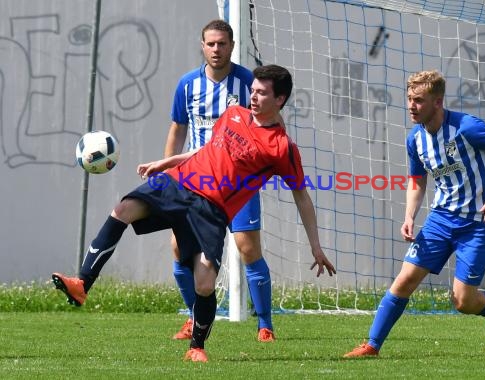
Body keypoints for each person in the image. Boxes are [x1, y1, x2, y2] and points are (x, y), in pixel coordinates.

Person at [52, 64, 336, 363]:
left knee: (204, 282)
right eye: (253, 90)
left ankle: (197, 347)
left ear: (279, 100)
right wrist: (168, 161)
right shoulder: (233, 114)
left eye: (262, 93)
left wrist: (315, 246)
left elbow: (301, 196)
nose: (253, 97)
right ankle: (82, 283)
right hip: (179, 182)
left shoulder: (281, 148)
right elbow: (206, 149)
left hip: (211, 210)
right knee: (123, 209)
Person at [343, 70, 485, 358]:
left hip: (478, 223)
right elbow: (417, 179)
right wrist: (409, 216)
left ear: (438, 102)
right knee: (405, 279)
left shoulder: (467, 127)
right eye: (410, 99)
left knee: (462, 301)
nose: (411, 106)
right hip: (440, 220)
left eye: (419, 101)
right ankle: (372, 345)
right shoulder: (415, 140)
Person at [164, 19, 275, 342]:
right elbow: (178, 129)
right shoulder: (187, 85)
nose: (216, 49)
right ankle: (192, 316)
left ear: (231, 46)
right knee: (179, 247)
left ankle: (264, 323)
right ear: (203, 46)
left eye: (222, 43)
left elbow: (267, 124)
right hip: (196, 180)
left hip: (238, 183)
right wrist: (167, 170)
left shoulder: (248, 84)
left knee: (247, 247)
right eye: (211, 44)